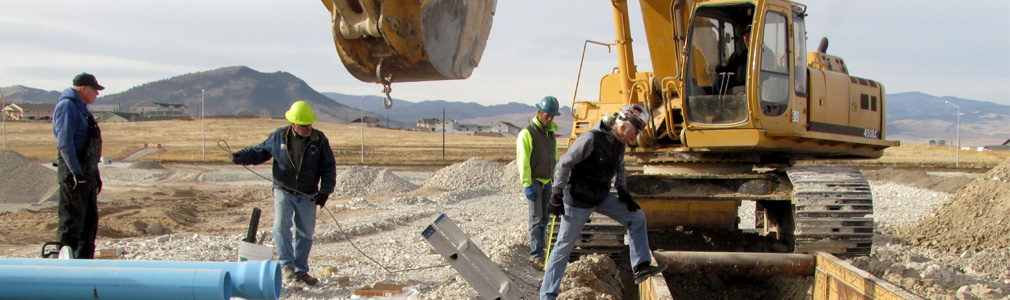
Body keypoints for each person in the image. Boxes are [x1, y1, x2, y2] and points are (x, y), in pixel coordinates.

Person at [540, 103, 666, 299]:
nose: (633, 138)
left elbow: (620, 167)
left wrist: (623, 192)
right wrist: (556, 193)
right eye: (633, 133)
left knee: (637, 217)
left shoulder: (619, 144)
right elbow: (564, 163)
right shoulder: (591, 139)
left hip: (601, 197)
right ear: (622, 125)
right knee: (563, 248)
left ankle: (641, 266)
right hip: (578, 201)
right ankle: (547, 295)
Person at [230, 101, 336, 286]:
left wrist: (325, 191)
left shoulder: (319, 141)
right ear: (293, 123)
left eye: (309, 124)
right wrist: (242, 157)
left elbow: (328, 168)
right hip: (283, 190)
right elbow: (260, 152)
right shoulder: (279, 137)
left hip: (308, 194)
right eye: (303, 125)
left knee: (306, 233)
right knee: (280, 227)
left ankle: (301, 271)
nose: (307, 128)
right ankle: (287, 266)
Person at [52, 72, 105, 259]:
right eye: (94, 90)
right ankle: (66, 273)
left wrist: (94, 174)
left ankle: (84, 268)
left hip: (86, 173)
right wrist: (76, 173)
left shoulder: (81, 108)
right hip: (74, 176)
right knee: (71, 226)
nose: (97, 94)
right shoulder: (67, 107)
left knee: (88, 226)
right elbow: (65, 144)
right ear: (83, 88)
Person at [515, 95, 561, 271]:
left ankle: (543, 251)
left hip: (547, 180)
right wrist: (527, 184)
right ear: (539, 112)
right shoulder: (527, 133)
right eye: (547, 115)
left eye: (552, 116)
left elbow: (553, 157)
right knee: (535, 218)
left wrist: (554, 178)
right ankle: (535, 255)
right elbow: (523, 160)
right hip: (534, 180)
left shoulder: (550, 134)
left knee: (544, 219)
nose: (550, 118)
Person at [713, 25, 751, 95]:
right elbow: (729, 67)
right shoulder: (739, 53)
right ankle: (718, 104)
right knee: (717, 82)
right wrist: (719, 69)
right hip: (737, 81)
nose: (746, 38)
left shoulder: (763, 53)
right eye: (745, 36)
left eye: (749, 36)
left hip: (753, 84)